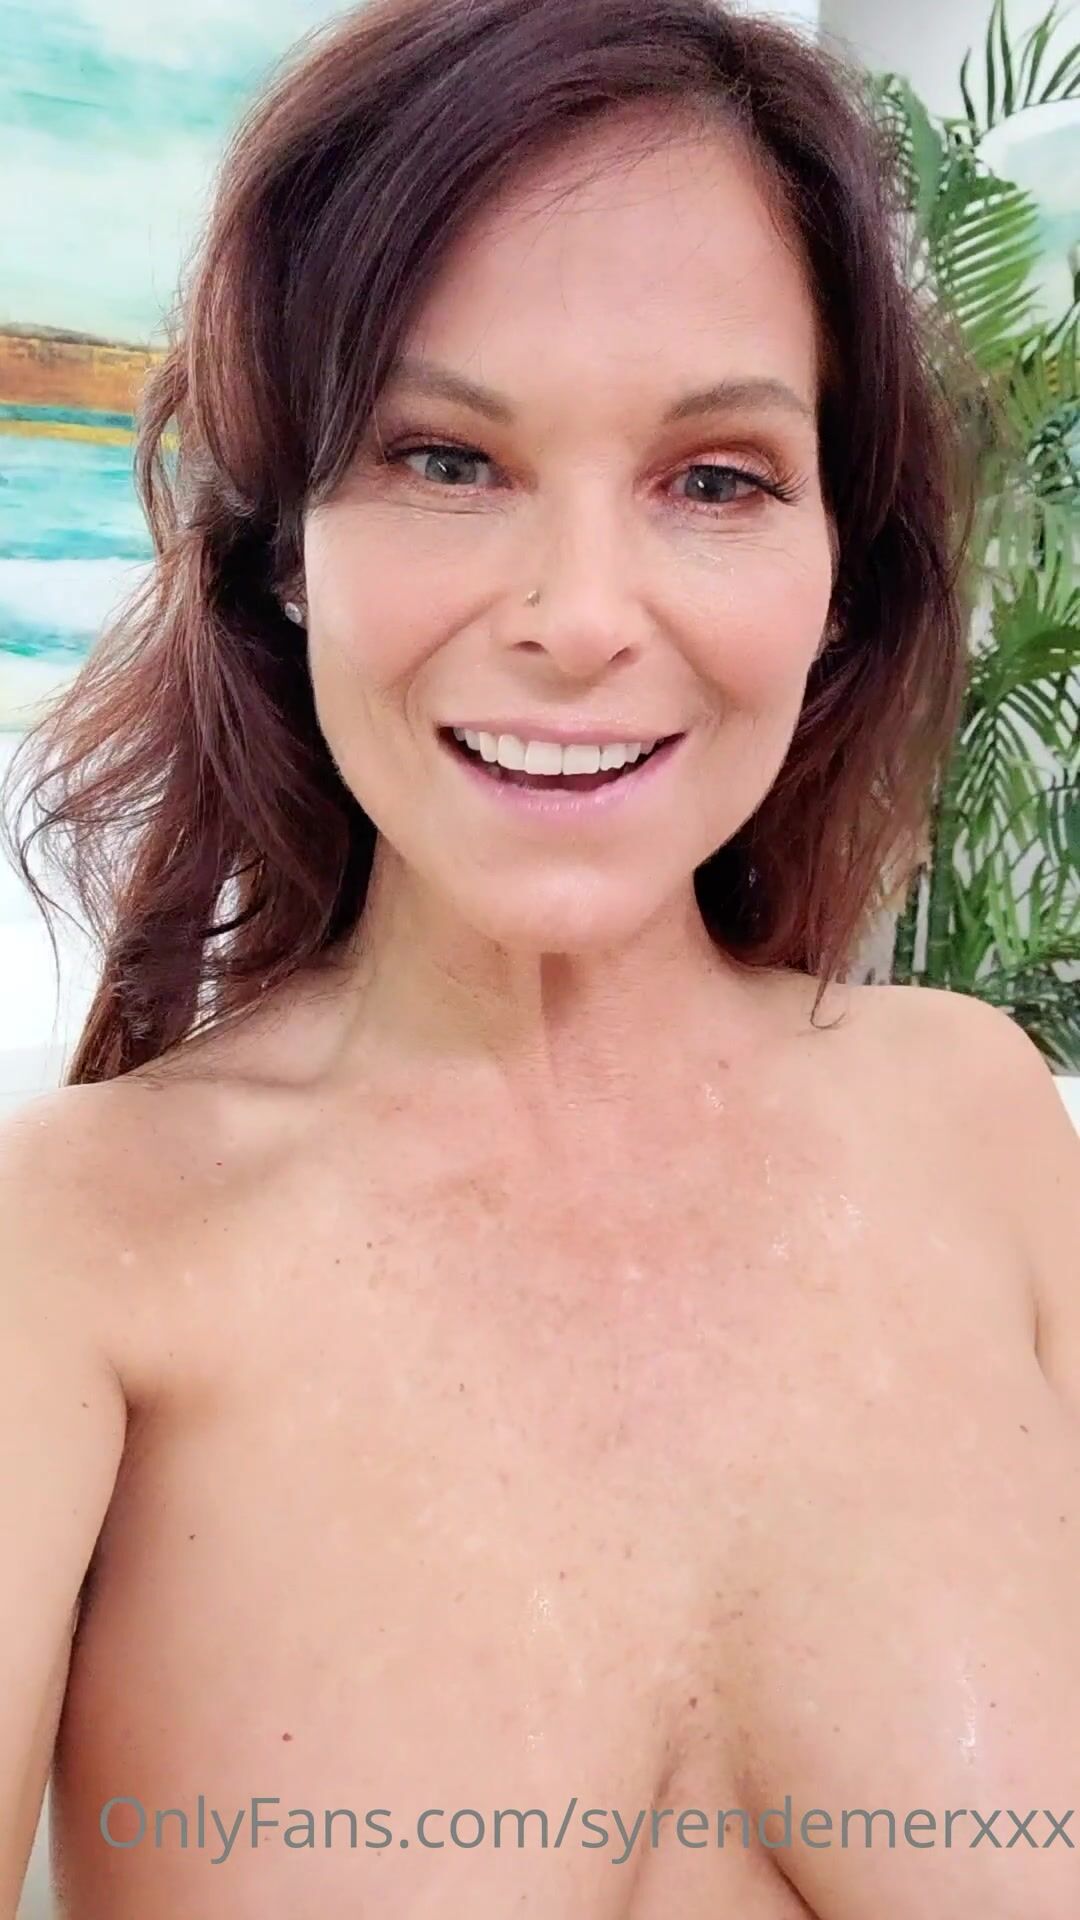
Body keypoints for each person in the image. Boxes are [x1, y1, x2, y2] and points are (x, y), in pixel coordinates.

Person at [2, 0, 1079, 1912]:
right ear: (283, 550)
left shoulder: (981, 1124)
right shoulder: (74, 1257)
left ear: (841, 571)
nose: (581, 619)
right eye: (445, 459)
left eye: (717, 478)